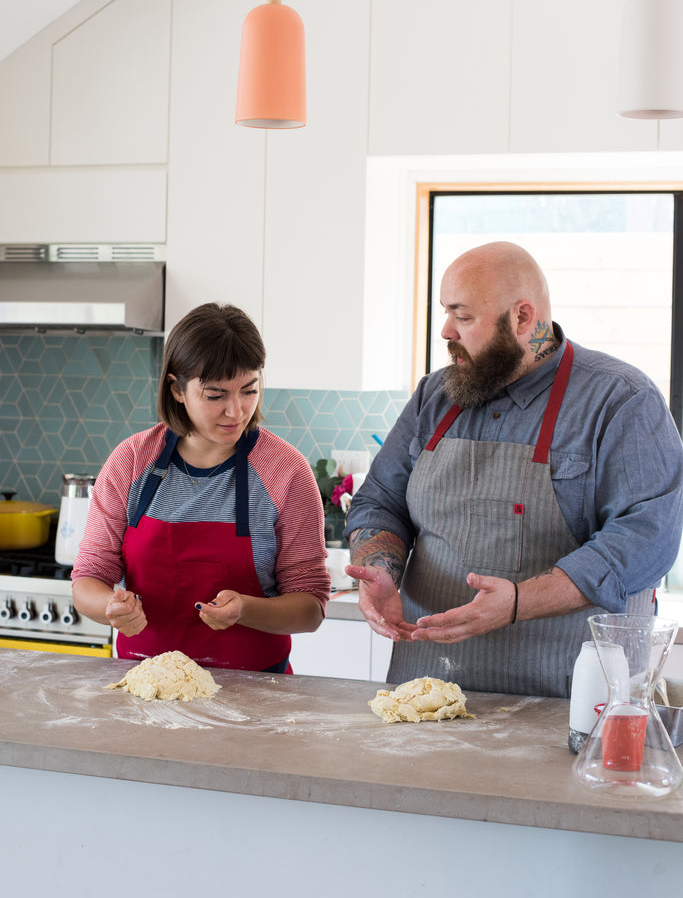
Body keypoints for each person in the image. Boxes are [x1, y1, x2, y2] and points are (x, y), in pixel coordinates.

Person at [344, 241, 683, 698]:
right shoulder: (435, 396)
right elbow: (380, 500)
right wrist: (379, 566)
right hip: (425, 689)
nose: (445, 330)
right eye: (446, 312)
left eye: (462, 317)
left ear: (523, 318)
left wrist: (520, 602)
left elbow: (646, 537)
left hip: (570, 697)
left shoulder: (621, 400)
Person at [72, 302, 330, 672]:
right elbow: (88, 580)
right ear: (177, 389)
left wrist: (247, 610)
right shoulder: (131, 461)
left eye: (249, 390)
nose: (237, 411)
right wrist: (109, 608)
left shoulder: (285, 471)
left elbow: (311, 608)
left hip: (256, 697)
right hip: (143, 690)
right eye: (216, 395)